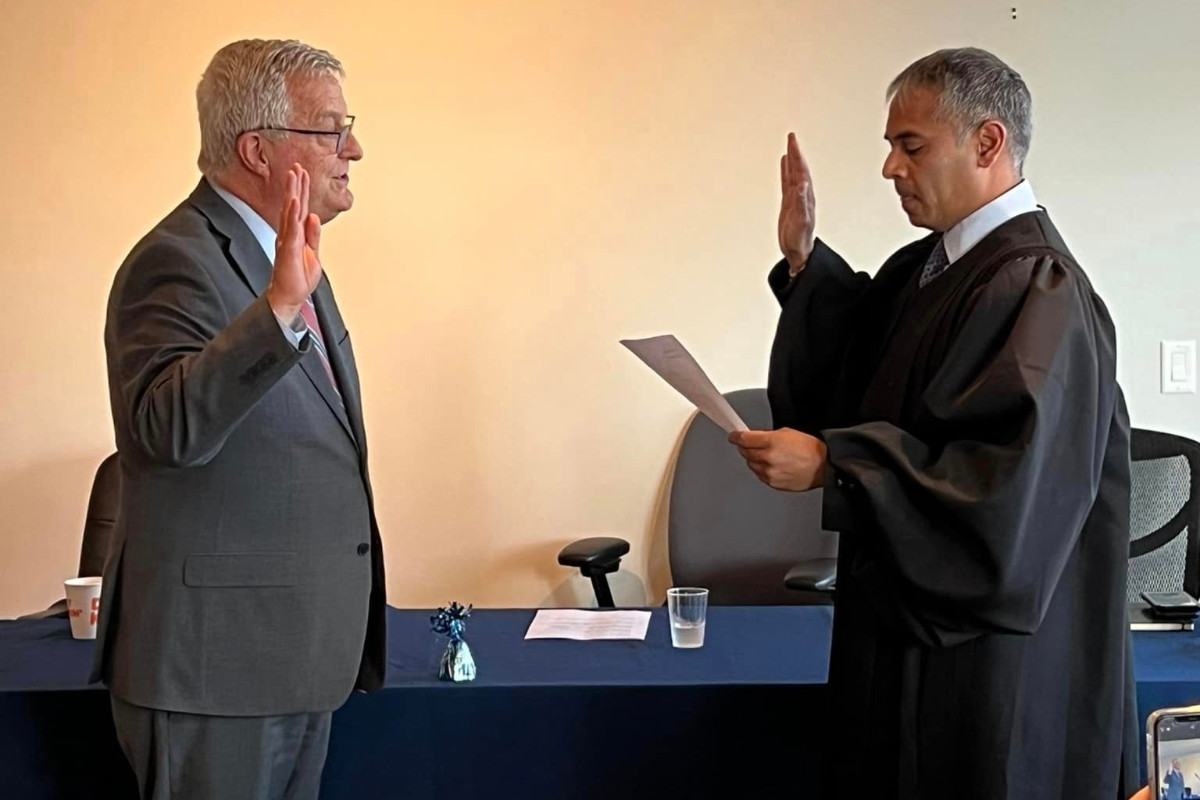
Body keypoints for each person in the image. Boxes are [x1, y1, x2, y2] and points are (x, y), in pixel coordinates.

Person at [729, 48, 1138, 798]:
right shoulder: (930, 268)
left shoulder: (1037, 287)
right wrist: (802, 265)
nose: (890, 168)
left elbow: (1001, 496)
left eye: (909, 146)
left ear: (987, 143)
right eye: (890, 146)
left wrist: (835, 464)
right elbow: (858, 374)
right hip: (902, 640)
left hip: (986, 670)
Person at [92, 39, 385, 799]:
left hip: (292, 662)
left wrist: (285, 297)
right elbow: (164, 431)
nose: (353, 148)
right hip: (213, 677)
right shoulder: (176, 259)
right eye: (330, 129)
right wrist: (280, 309)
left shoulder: (286, 258)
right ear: (258, 149)